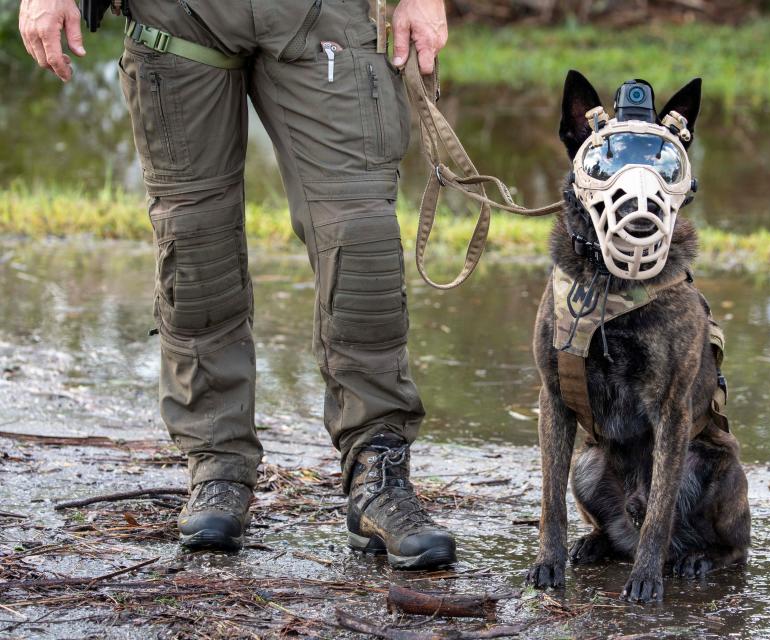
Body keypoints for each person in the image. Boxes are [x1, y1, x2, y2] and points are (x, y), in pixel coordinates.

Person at [18, 0, 456, 570]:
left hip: (324, 16)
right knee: (195, 246)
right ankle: (218, 465)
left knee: (361, 238)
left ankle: (379, 470)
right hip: (178, 15)